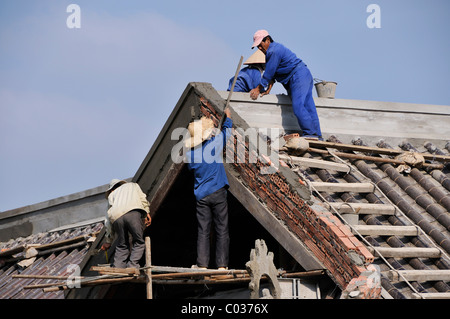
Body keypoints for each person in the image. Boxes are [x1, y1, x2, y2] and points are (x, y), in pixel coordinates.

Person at [249, 30, 322, 139]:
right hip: (303, 75)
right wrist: (269, 87)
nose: (259, 48)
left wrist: (258, 88)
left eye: (260, 44)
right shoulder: (274, 50)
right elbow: (274, 73)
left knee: (298, 106)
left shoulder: (273, 51)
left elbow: (269, 73)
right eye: (257, 46)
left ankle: (311, 134)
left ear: (268, 40)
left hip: (298, 76)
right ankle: (318, 136)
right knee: (308, 106)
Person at [185, 108, 233, 270]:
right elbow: (227, 133)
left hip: (201, 196)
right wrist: (228, 118)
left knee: (203, 231)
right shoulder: (214, 144)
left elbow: (192, 168)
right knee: (221, 229)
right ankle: (221, 265)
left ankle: (202, 264)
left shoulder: (191, 155)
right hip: (218, 192)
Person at [101, 179, 151, 269]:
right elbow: (143, 199)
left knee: (122, 245)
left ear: (111, 190)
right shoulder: (132, 185)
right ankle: (132, 266)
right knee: (138, 241)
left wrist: (108, 241)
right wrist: (146, 213)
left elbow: (108, 221)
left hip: (116, 218)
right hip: (133, 213)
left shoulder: (111, 195)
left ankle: (118, 267)